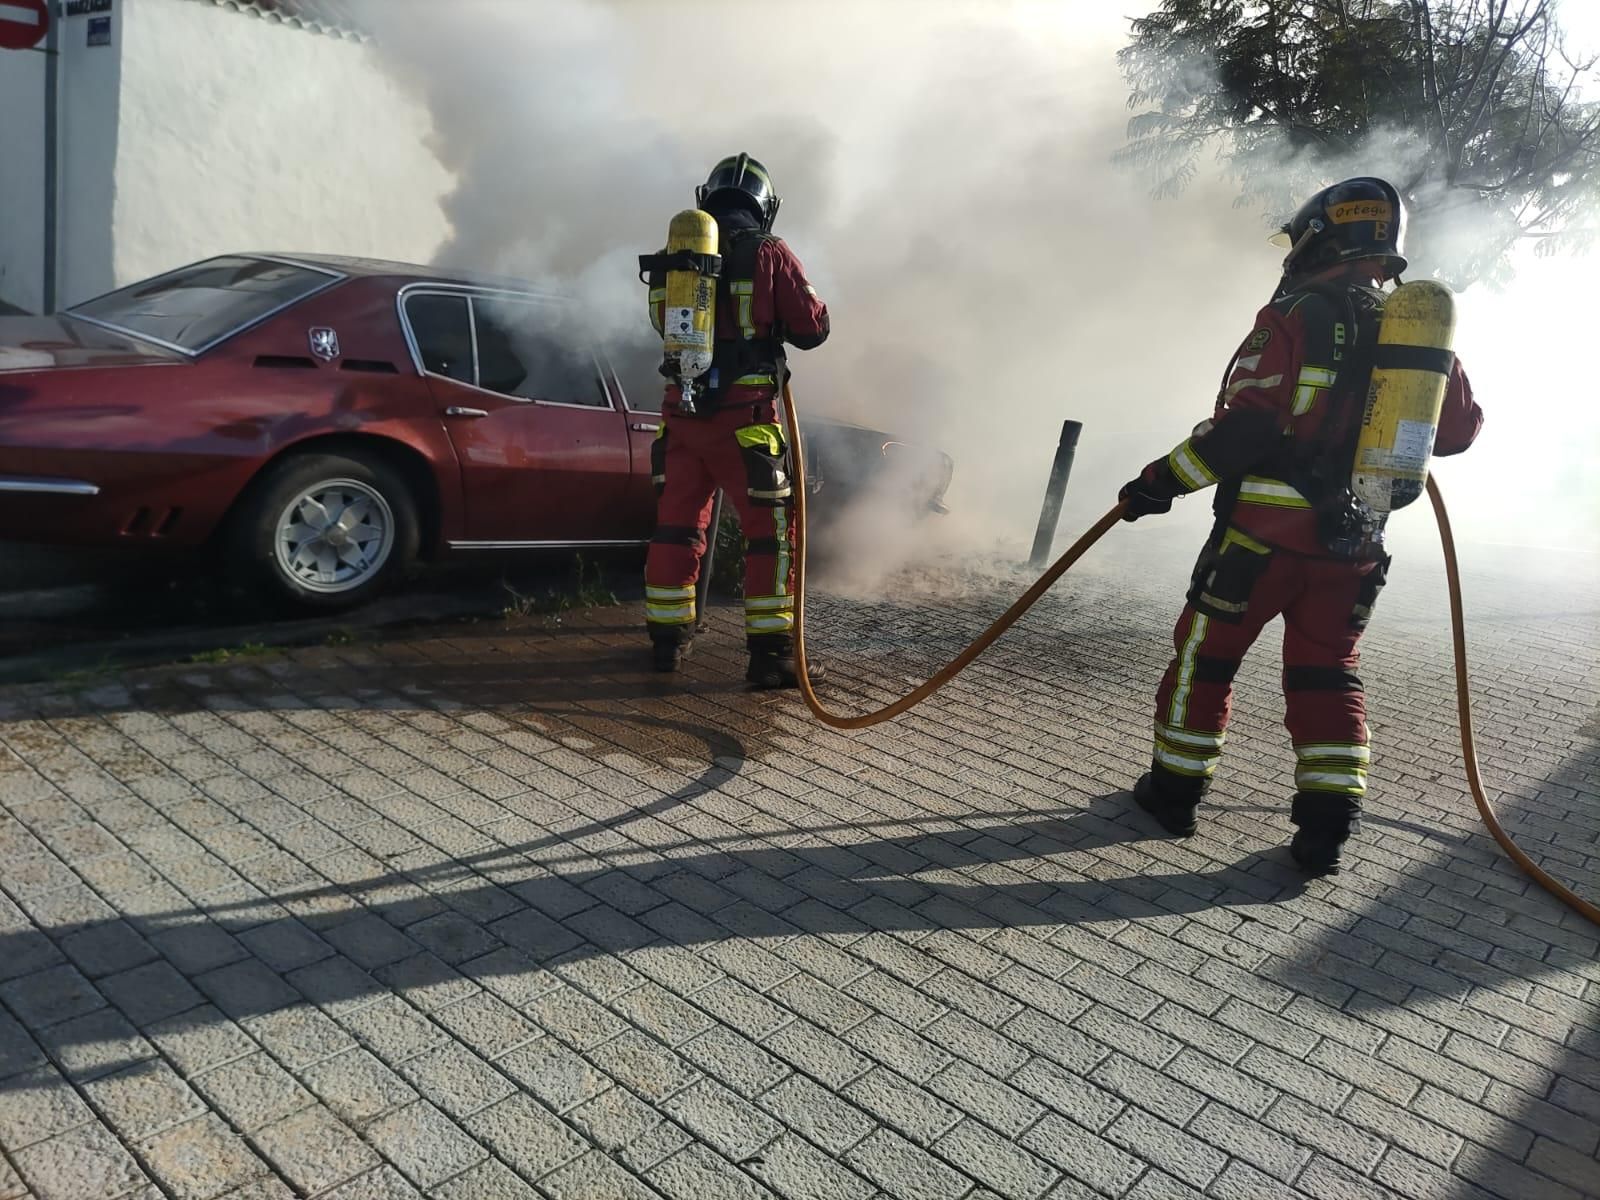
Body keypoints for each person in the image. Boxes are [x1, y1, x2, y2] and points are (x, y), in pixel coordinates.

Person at [1117, 176, 1483, 873]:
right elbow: (1458, 433)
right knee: (1327, 676)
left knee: (1206, 661)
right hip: (1353, 548)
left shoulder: (1294, 315)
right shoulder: (1417, 332)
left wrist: (1156, 484)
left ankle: (1173, 794)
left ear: (1317, 238)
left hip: (1259, 542)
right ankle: (1326, 828)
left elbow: (1243, 431)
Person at [642, 153, 831, 689]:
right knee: (772, 535)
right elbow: (812, 329)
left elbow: (661, 323)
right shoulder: (769, 252)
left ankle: (666, 643)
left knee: (676, 528)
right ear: (765, 206)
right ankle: (772, 658)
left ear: (708, 197)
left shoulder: (672, 258)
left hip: (681, 420)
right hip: (745, 422)